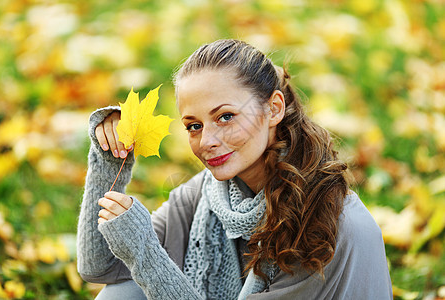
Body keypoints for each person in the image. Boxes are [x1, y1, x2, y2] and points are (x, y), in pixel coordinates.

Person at [77, 39, 393, 299]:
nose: (208, 141)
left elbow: (144, 257)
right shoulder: (209, 195)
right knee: (121, 293)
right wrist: (108, 161)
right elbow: (99, 268)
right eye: (194, 125)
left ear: (274, 108)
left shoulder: (324, 220)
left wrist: (144, 251)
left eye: (226, 117)